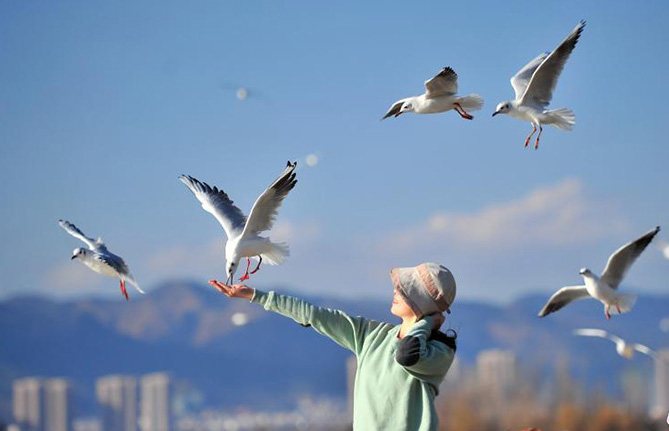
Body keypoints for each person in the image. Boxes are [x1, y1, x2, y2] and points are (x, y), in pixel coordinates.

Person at [208, 262, 457, 431]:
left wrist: (425, 322)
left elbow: (406, 353)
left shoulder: (439, 352)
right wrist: (255, 295)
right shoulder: (372, 335)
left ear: (422, 304)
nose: (395, 291)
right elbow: (314, 315)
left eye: (404, 291)